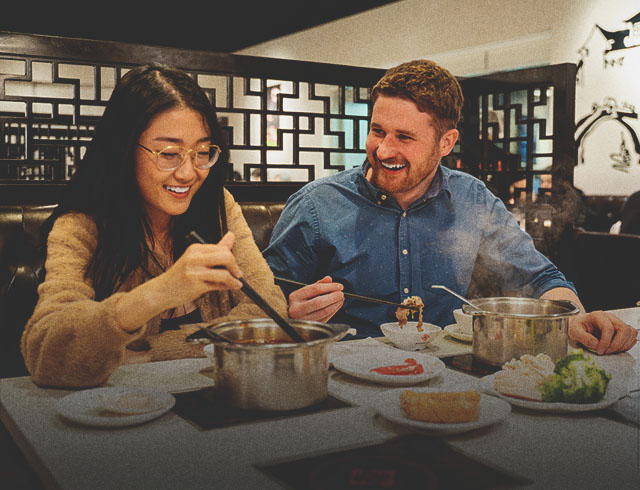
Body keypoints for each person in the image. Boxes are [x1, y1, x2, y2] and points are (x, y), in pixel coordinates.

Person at [264, 59, 637, 356]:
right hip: (345, 379)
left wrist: (577, 319)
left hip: (450, 374)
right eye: (378, 131)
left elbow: (540, 280)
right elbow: (257, 308)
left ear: (446, 142)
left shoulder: (472, 199)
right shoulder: (317, 206)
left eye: (404, 137)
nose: (383, 150)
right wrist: (288, 313)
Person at [21, 64, 289, 388]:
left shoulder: (218, 206)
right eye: (170, 153)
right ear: (124, 149)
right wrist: (157, 294)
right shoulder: (81, 225)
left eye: (202, 152)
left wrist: (149, 352)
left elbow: (270, 308)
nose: (189, 172)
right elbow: (48, 358)